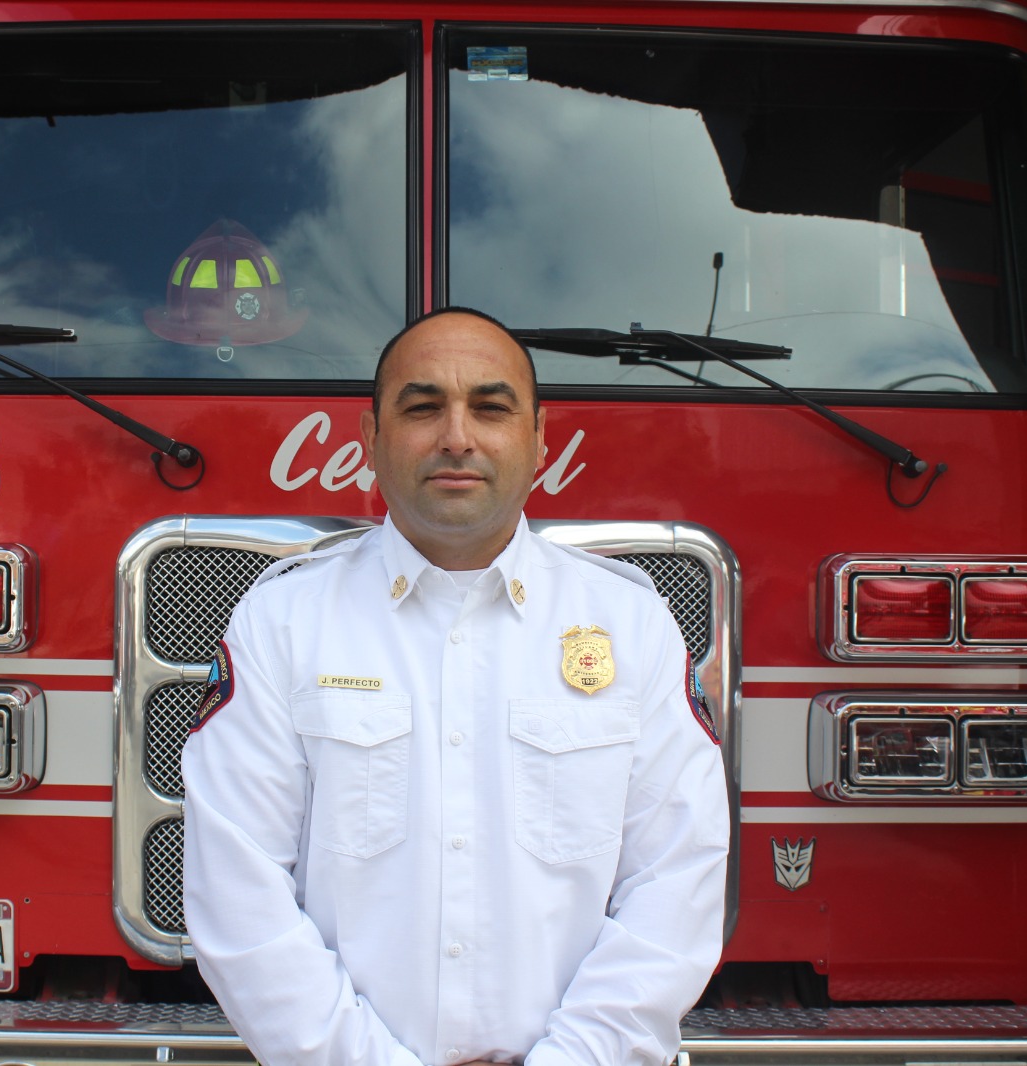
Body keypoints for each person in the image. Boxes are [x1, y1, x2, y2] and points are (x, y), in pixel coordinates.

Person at [180, 307, 729, 1065]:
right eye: (423, 405)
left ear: (539, 441)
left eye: (491, 407)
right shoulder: (280, 623)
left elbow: (677, 880)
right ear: (370, 439)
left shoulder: (633, 626)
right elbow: (239, 900)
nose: (457, 437)